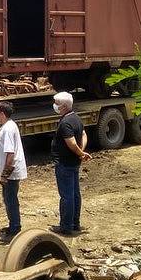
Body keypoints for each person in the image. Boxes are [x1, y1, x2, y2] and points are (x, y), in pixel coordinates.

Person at [50, 91, 91, 236]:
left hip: (65, 163)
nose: (55, 106)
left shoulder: (65, 123)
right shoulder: (76, 118)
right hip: (74, 163)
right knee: (75, 195)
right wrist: (82, 152)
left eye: (57, 103)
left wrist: (80, 153)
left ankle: (66, 227)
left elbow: (71, 142)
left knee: (67, 196)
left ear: (64, 106)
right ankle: (75, 223)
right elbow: (84, 134)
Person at [0, 101, 27, 243]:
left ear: (2, 113)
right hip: (13, 170)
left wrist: (4, 175)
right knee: (10, 199)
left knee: (10, 200)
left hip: (11, 172)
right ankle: (13, 225)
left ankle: (15, 229)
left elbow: (10, 153)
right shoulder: (10, 125)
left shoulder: (7, 129)